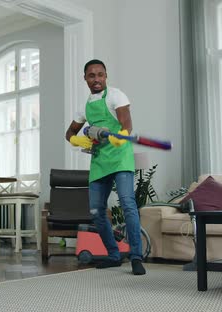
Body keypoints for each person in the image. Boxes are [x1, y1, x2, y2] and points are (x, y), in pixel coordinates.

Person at [65, 59, 146, 275]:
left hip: (120, 157)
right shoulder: (84, 107)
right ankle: (113, 254)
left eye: (100, 74)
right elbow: (69, 133)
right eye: (92, 75)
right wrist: (77, 140)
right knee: (96, 211)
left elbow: (126, 124)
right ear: (85, 78)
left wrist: (123, 137)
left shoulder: (116, 96)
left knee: (128, 204)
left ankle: (137, 257)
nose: (97, 79)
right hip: (100, 160)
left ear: (106, 76)